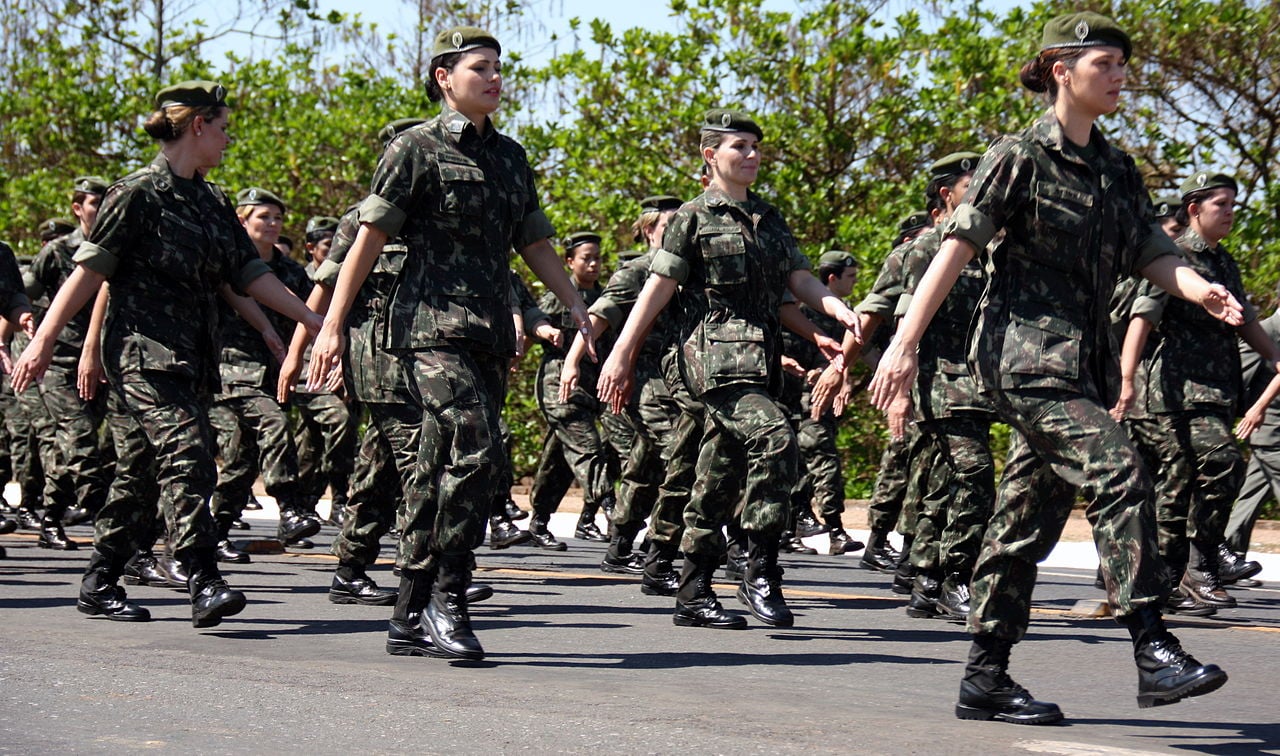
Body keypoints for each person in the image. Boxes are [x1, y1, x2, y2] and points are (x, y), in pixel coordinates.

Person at [869, 13, 1235, 721]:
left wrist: (1198, 287)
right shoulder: (1019, 156)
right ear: (1062, 70)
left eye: (1126, 65)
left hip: (1081, 363)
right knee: (1119, 468)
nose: (1121, 75)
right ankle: (1152, 645)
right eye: (1107, 63)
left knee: (1024, 523)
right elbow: (958, 248)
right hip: (1024, 356)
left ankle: (985, 675)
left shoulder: (1116, 167)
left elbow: (1148, 254)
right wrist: (904, 342)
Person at [305, 27, 594, 662]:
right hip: (427, 329)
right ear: (444, 77)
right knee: (476, 445)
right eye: (480, 67)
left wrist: (572, 300)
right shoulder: (416, 149)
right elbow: (369, 241)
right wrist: (330, 326)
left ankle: (407, 610)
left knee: (441, 464)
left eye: (498, 68)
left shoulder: (512, 157)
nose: (494, 78)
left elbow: (535, 242)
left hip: (487, 332)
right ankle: (447, 597)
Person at [11, 80, 321, 629]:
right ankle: (202, 576)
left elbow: (248, 274)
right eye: (223, 129)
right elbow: (89, 272)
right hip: (139, 353)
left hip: (191, 357)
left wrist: (313, 321)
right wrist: (41, 341)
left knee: (142, 474)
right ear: (197, 125)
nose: (229, 140)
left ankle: (100, 578)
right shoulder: (135, 194)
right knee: (189, 452)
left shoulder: (212, 200)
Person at [597, 108, 859, 630]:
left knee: (719, 472)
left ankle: (693, 589)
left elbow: (797, 280)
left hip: (760, 360)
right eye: (739, 146)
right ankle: (761, 569)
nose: (751, 156)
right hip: (712, 358)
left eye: (756, 147)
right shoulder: (693, 217)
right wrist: (622, 352)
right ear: (710, 154)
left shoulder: (768, 216)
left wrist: (829, 312)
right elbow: (658, 289)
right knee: (776, 438)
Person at [1112, 172, 1279, 613]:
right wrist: (1127, 382)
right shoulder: (1171, 257)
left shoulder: (1225, 264)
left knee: (1180, 482)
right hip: (1172, 393)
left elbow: (1244, 322)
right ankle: (1202, 562)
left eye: (1232, 204)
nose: (1229, 212)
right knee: (1220, 463)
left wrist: (1277, 358)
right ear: (1194, 209)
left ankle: (1170, 576)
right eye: (1220, 204)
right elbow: (1140, 320)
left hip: (1215, 392)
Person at [207, 187, 318, 561]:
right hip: (230, 369)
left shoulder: (290, 271)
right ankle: (289, 506)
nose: (272, 224)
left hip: (273, 374)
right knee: (272, 426)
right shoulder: (228, 261)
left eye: (277, 218)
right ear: (242, 220)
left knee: (243, 456)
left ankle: (215, 531)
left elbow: (312, 309)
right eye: (263, 217)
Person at [22, 175, 116, 549]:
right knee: (78, 440)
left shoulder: (122, 248)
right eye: (94, 204)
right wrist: (23, 323)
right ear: (78, 208)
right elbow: (22, 292)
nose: (101, 210)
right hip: (59, 360)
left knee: (81, 446)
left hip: (103, 362)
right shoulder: (58, 251)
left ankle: (50, 517)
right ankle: (102, 517)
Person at [526, 231, 615, 546]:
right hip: (559, 386)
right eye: (586, 258)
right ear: (569, 261)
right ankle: (614, 515)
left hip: (591, 390)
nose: (593, 264)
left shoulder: (604, 298)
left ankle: (538, 521)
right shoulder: (558, 296)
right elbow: (531, 324)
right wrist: (542, 334)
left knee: (560, 457)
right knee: (587, 448)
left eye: (597, 258)